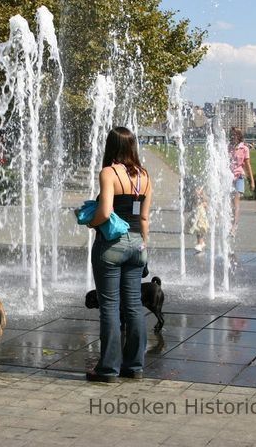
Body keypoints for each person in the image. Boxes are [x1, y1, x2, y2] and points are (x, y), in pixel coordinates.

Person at [85, 126, 151, 383]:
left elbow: (105, 212)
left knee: (110, 307)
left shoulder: (108, 173)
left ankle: (108, 369)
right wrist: (143, 246)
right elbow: (144, 217)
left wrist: (91, 223)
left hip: (111, 246)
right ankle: (135, 365)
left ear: (111, 146)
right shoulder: (144, 176)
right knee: (134, 305)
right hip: (137, 245)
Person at [230, 127, 254, 236]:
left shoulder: (244, 148)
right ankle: (231, 223)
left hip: (239, 176)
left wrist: (252, 181)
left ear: (239, 136)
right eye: (231, 134)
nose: (232, 136)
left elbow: (247, 165)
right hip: (229, 177)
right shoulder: (228, 147)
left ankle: (234, 226)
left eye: (234, 135)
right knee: (230, 203)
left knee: (236, 201)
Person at [189, 186, 209, 253]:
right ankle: (200, 243)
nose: (196, 192)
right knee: (198, 232)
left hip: (201, 220)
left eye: (198, 191)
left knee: (200, 232)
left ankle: (200, 244)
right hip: (197, 220)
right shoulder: (196, 200)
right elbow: (194, 207)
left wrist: (202, 201)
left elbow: (205, 206)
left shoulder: (203, 201)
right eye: (196, 191)